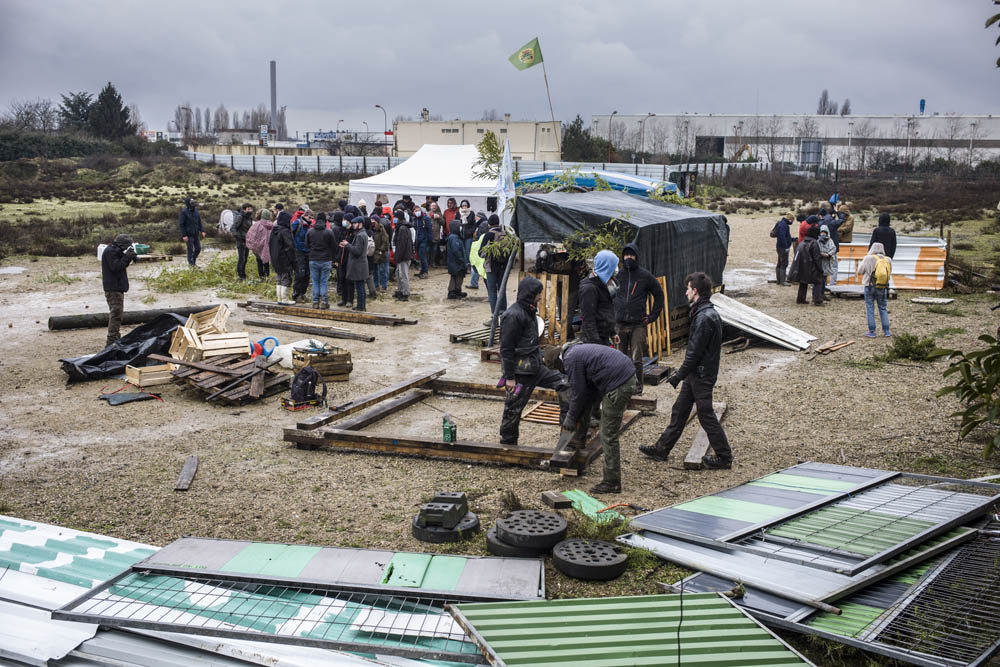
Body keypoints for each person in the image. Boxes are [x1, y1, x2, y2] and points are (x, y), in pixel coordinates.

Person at [640, 272, 732, 469]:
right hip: (697, 374)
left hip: (701, 375)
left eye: (688, 289)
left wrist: (678, 376)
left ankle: (724, 457)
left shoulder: (704, 317)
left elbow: (694, 352)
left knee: (706, 414)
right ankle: (662, 449)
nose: (686, 292)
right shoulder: (704, 313)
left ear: (696, 291)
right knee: (680, 410)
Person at [556, 342, 637, 494]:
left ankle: (612, 482)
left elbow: (578, 393)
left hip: (619, 384)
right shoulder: (579, 352)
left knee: (608, 434)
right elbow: (587, 393)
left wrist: (571, 417)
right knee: (586, 407)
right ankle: (578, 442)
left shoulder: (571, 359)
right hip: (624, 375)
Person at [498, 277, 571, 446]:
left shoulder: (529, 310)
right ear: (530, 294)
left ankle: (567, 427)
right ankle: (507, 444)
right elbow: (506, 349)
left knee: (566, 384)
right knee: (513, 410)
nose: (540, 296)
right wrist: (509, 377)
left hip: (536, 366)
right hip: (520, 371)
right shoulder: (513, 315)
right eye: (538, 293)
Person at [613, 242, 664, 394]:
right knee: (618, 358)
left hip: (638, 324)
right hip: (619, 324)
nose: (629, 258)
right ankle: (619, 387)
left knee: (636, 358)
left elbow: (659, 295)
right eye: (626, 255)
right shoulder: (617, 275)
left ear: (637, 256)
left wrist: (652, 317)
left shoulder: (645, 276)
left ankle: (637, 388)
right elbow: (607, 295)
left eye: (632, 255)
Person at [101, 234, 137, 347]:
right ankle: (111, 341)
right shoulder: (110, 252)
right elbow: (116, 267)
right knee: (116, 313)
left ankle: (115, 339)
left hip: (115, 286)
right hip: (113, 288)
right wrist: (127, 257)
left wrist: (130, 257)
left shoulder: (115, 250)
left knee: (117, 314)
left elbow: (120, 264)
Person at [579, 250, 619, 345]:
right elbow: (588, 319)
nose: (615, 270)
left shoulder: (606, 283)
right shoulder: (589, 288)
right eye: (613, 267)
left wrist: (612, 333)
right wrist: (597, 345)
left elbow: (606, 311)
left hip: (604, 336)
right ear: (606, 267)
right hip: (593, 340)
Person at [480, 215, 511, 321]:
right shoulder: (506, 235)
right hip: (503, 267)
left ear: (489, 224)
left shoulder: (488, 235)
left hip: (491, 267)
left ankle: (494, 315)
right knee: (502, 289)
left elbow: (481, 253)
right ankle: (504, 314)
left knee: (492, 290)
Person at [858, 241, 892, 337]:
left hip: (869, 286)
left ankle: (872, 332)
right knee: (883, 308)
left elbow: (860, 271)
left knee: (870, 308)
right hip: (882, 286)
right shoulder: (888, 259)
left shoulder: (868, 258)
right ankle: (886, 331)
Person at [306, 212, 336, 309]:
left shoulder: (310, 231)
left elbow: (306, 245)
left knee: (315, 281)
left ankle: (315, 302)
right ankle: (324, 302)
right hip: (326, 259)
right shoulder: (329, 232)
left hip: (313, 258)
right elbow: (333, 246)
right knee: (323, 281)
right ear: (325, 220)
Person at [789, 225, 825, 306]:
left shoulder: (803, 242)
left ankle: (800, 299)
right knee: (819, 281)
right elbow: (817, 258)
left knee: (803, 282)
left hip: (802, 267)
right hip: (810, 268)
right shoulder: (814, 243)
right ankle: (818, 301)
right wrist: (820, 269)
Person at [341, 217, 369, 311]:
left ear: (360, 224)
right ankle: (361, 305)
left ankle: (361, 306)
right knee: (359, 286)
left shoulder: (360, 235)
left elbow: (357, 251)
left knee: (360, 287)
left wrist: (347, 245)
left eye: (355, 223)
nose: (353, 225)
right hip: (360, 265)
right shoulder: (361, 233)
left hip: (359, 265)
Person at [268, 211, 296, 304]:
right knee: (286, 279)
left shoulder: (273, 231)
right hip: (284, 260)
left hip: (275, 259)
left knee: (279, 279)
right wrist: (293, 261)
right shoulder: (285, 232)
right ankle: (284, 299)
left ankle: (279, 299)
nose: (291, 222)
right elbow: (290, 248)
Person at [290, 205, 314, 303]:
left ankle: (302, 293)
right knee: (300, 273)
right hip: (298, 251)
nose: (310, 219)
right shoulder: (297, 223)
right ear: (305, 215)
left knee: (307, 274)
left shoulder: (310, 226)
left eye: (312, 218)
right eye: (309, 217)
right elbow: (290, 234)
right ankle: (296, 294)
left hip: (308, 252)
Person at [245, 209, 274, 279]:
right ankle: (267, 276)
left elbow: (250, 235)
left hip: (258, 247)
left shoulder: (256, 224)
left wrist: (253, 244)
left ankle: (261, 276)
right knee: (266, 261)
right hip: (268, 247)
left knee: (259, 261)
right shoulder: (272, 225)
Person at [393, 210, 414, 301]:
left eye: (395, 217)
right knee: (398, 273)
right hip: (403, 254)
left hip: (404, 256)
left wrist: (398, 257)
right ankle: (401, 290)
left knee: (403, 275)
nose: (394, 219)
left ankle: (405, 293)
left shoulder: (402, 229)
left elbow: (402, 245)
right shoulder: (401, 227)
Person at [178, 196, 204, 267]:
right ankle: (191, 264)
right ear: (187, 203)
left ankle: (193, 261)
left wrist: (202, 230)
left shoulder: (196, 211)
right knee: (190, 250)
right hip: (188, 235)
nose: (192, 202)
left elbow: (199, 221)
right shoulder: (184, 212)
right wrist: (184, 235)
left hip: (196, 234)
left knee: (198, 249)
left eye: (193, 201)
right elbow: (181, 224)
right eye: (191, 201)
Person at [231, 203, 254, 281]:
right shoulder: (240, 217)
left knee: (246, 259)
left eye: (251, 209)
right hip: (241, 241)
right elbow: (233, 228)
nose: (250, 210)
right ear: (244, 209)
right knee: (242, 258)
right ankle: (240, 275)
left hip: (247, 241)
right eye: (248, 209)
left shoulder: (249, 218)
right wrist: (238, 237)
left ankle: (243, 274)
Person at [445, 220, 468, 299]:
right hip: (456, 262)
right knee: (456, 277)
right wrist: (461, 260)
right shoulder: (454, 238)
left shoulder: (454, 236)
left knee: (458, 277)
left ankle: (457, 291)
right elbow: (456, 250)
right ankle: (452, 291)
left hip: (455, 262)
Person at [466, 210, 487, 290]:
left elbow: (481, 237)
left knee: (476, 266)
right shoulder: (481, 224)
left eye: (476, 217)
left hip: (479, 248)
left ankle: (474, 283)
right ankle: (473, 283)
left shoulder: (482, 224)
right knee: (476, 266)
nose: (475, 218)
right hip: (478, 248)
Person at [371, 215, 390, 292]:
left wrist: (381, 251)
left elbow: (385, 242)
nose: (372, 223)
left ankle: (384, 286)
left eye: (373, 221)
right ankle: (376, 285)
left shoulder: (382, 230)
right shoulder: (371, 230)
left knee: (382, 270)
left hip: (381, 253)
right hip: (373, 253)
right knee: (375, 271)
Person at [775, 212, 793, 286]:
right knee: (784, 263)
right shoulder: (784, 225)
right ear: (790, 219)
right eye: (792, 220)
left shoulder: (781, 223)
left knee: (780, 263)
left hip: (779, 246)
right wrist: (786, 247)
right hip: (782, 247)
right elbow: (782, 237)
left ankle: (779, 280)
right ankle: (782, 281)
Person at [413, 206, 432, 278]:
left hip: (424, 240)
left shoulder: (425, 218)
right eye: (416, 210)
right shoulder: (414, 219)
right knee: (420, 257)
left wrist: (430, 240)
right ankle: (422, 271)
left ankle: (425, 272)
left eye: (418, 210)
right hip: (417, 241)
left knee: (423, 256)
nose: (417, 212)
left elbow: (429, 229)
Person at [427, 201, 445, 268]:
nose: (434, 207)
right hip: (428, 235)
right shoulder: (427, 213)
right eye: (432, 206)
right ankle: (428, 263)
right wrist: (431, 216)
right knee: (428, 250)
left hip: (436, 235)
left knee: (434, 250)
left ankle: (433, 262)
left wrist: (439, 217)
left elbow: (443, 223)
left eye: (435, 205)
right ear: (430, 207)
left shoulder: (439, 214)